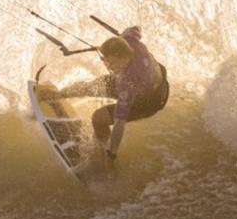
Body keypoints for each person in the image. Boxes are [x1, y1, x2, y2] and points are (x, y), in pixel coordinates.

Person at [39, 26, 169, 170]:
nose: (109, 67)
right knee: (92, 86)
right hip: (155, 80)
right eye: (106, 61)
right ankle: (60, 94)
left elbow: (120, 123)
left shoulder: (129, 83)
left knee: (99, 118)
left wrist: (112, 155)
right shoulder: (129, 39)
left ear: (123, 57)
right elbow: (135, 28)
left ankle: (101, 155)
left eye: (112, 63)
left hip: (149, 101)